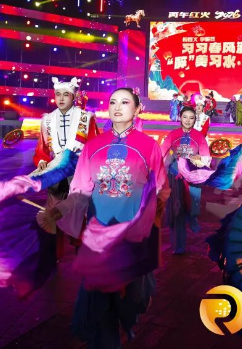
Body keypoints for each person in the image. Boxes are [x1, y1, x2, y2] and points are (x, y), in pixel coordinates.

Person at [40, 88, 169, 347]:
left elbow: (161, 188)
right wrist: (59, 210)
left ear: (137, 109)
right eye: (112, 102)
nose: (117, 107)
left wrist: (151, 214)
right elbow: (80, 190)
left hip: (131, 234)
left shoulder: (149, 146)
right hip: (98, 232)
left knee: (130, 297)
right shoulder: (93, 146)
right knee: (99, 297)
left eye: (125, 102)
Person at [33, 77, 97, 258]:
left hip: (79, 171)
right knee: (54, 211)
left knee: (78, 209)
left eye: (66, 95)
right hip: (56, 171)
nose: (61, 98)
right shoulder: (47, 120)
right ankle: (55, 254)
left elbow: (93, 145)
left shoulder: (86, 118)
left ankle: (81, 252)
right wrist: (42, 160)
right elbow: (42, 148)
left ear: (74, 96)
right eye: (58, 94)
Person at [161, 106, 212, 254]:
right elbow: (161, 153)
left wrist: (198, 159)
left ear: (195, 120)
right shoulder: (173, 134)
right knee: (176, 209)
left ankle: (192, 217)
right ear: (180, 118)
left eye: (191, 118)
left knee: (191, 207)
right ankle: (178, 246)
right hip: (174, 176)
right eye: (185, 117)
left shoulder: (199, 137)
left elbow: (206, 158)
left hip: (192, 177)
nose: (188, 120)